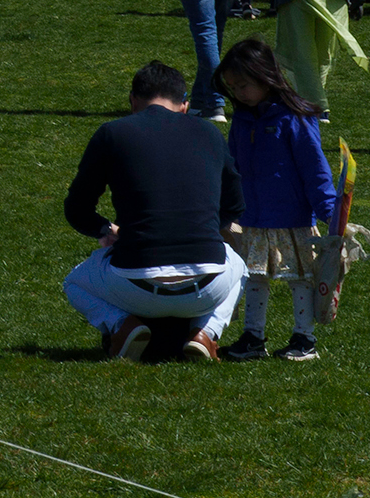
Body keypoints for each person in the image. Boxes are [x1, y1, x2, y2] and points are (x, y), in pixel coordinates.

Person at [60, 58, 239, 359]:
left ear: (132, 101)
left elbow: (77, 208)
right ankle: (207, 332)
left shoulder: (112, 133)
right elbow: (235, 205)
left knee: (75, 282)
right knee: (241, 265)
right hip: (208, 282)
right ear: (185, 104)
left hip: (135, 281)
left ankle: (122, 326)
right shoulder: (210, 133)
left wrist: (105, 229)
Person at [213, 37, 344, 362]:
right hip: (253, 219)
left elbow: (315, 168)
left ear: (265, 77)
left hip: (293, 218)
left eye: (243, 85)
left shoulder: (294, 118)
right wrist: (226, 208)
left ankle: (304, 338)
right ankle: (253, 337)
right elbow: (232, 167)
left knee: (299, 278)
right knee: (255, 277)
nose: (238, 93)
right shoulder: (243, 121)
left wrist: (330, 211)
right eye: (233, 87)